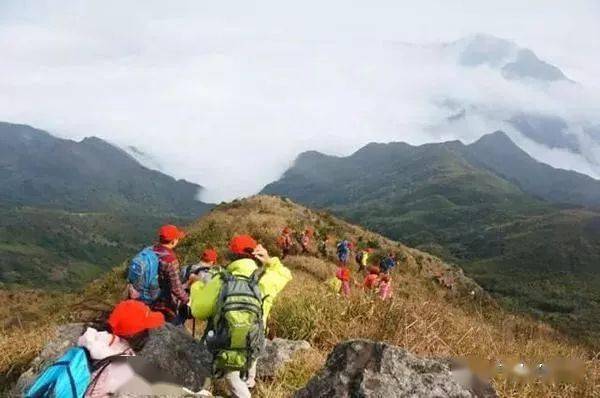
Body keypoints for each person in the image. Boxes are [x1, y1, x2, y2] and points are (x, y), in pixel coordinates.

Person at [190, 235, 292, 398]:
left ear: (232, 254)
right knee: (247, 370)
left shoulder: (222, 279)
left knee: (233, 378)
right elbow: (285, 274)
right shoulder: (265, 279)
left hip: (226, 339)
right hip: (254, 338)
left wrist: (196, 286)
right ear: (254, 254)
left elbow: (198, 311)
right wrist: (269, 260)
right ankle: (249, 386)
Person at [80, 300, 168, 397]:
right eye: (145, 329)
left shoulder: (97, 339)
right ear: (132, 334)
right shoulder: (123, 365)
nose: (148, 332)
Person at [151, 225, 190, 325]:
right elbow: (176, 288)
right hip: (163, 303)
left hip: (145, 299)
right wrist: (187, 300)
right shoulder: (170, 260)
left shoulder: (151, 250)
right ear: (173, 241)